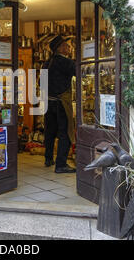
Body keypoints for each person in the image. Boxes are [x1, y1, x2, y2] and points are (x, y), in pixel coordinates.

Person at [41, 35, 76, 173]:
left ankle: (48, 158)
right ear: (60, 48)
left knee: (50, 132)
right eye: (66, 45)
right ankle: (61, 164)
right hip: (61, 103)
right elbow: (79, 73)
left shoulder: (46, 63)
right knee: (65, 132)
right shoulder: (66, 62)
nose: (69, 47)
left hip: (49, 102)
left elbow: (40, 84)